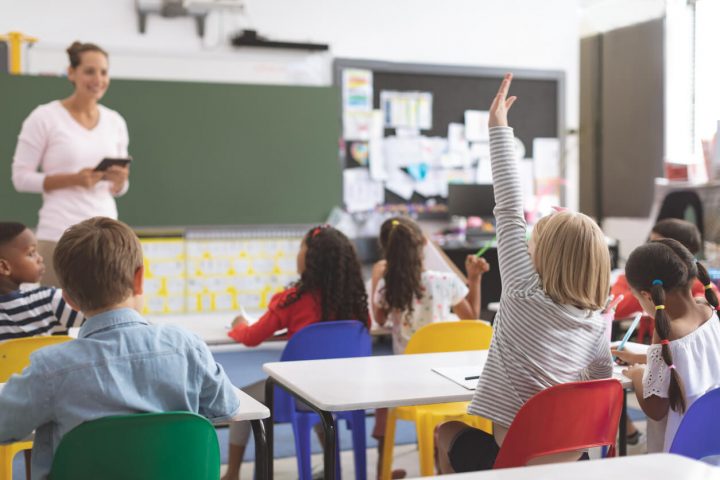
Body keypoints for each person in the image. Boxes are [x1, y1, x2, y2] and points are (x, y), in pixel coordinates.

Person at [435, 74, 613, 473]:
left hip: (513, 461)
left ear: (545, 258)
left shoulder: (520, 291)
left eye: (534, 241)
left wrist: (499, 129)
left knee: (446, 431)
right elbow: (601, 380)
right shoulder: (596, 326)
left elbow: (509, 207)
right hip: (572, 462)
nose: (527, 242)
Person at [0, 217, 240, 480]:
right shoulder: (185, 346)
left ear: (68, 298)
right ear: (140, 280)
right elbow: (225, 406)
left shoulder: (50, 369)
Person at [223, 224, 369, 480]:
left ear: (310, 257)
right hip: (343, 391)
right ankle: (333, 469)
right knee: (319, 392)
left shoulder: (292, 300)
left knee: (241, 398)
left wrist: (238, 324)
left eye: (301, 247)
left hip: (296, 396)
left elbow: (251, 337)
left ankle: (232, 473)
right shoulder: (354, 302)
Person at [370, 216, 489, 478]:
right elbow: (472, 318)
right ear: (423, 244)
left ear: (386, 251)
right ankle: (440, 463)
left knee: (380, 398)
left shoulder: (388, 285)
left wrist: (377, 277)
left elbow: (377, 320)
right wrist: (474, 280)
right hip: (445, 382)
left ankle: (382, 469)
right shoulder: (443, 280)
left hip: (404, 384)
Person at [12, 41, 131, 287]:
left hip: (107, 237)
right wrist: (74, 179)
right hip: (59, 236)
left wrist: (120, 182)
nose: (98, 79)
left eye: (104, 72)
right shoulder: (44, 117)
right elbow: (20, 178)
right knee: (57, 319)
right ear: (71, 73)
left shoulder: (115, 121)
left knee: (106, 316)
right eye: (89, 71)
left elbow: (120, 187)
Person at [614, 238, 720, 451]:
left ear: (647, 296)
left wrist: (637, 375)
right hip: (710, 439)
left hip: (678, 451)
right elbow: (689, 364)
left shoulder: (667, 331)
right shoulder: (708, 311)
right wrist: (641, 358)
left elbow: (655, 408)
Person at [0, 222, 84, 341]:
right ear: (4, 267)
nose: (40, 258)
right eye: (31, 253)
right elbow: (103, 315)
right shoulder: (48, 301)